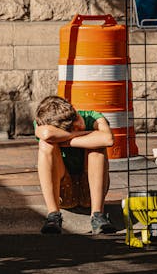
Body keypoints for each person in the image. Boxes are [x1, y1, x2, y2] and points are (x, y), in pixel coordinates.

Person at [34, 95, 116, 235]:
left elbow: (108, 139)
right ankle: (53, 216)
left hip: (89, 192)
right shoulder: (45, 121)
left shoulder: (93, 117)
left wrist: (69, 140)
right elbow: (46, 134)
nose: (78, 126)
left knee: (98, 146)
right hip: (64, 193)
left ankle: (97, 216)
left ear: (75, 110)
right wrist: (85, 136)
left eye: (76, 118)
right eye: (71, 128)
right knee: (45, 145)